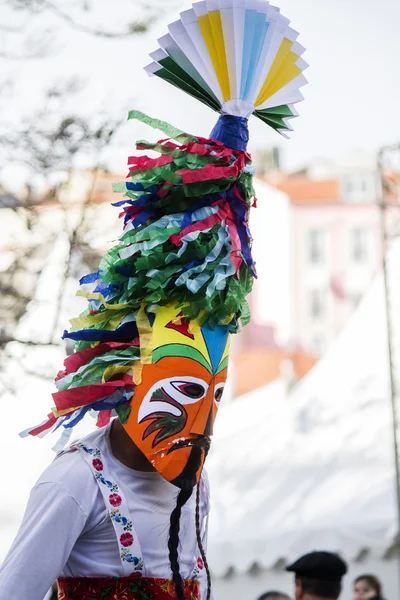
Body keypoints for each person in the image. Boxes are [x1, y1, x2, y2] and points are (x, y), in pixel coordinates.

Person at [0, 1, 307, 599]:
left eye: (215, 395)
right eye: (187, 388)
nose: (202, 419)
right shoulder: (74, 482)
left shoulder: (195, 482)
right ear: (126, 378)